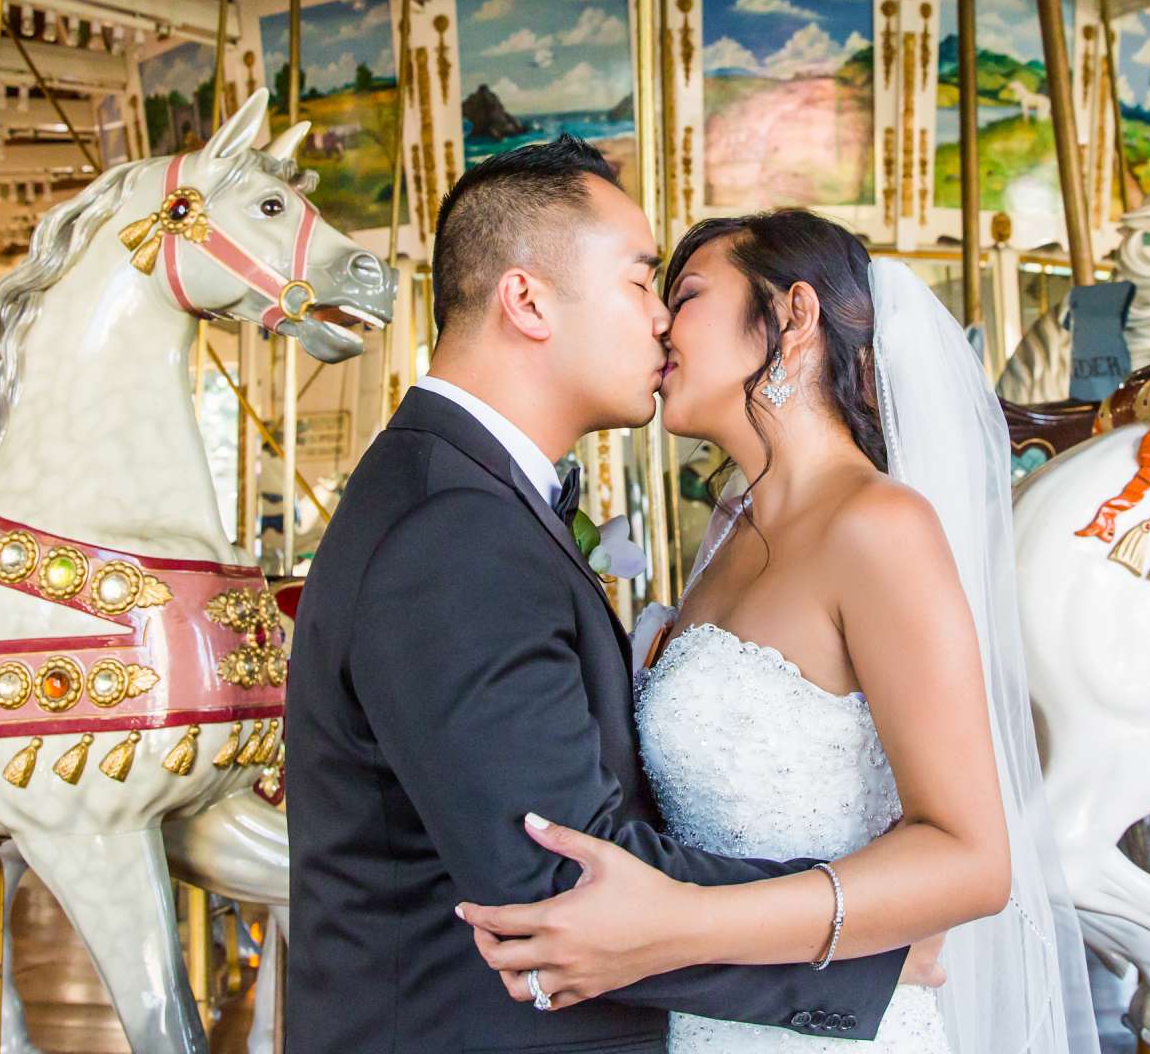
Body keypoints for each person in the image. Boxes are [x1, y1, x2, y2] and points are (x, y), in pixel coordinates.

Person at [285, 140, 933, 1052]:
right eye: (640, 284)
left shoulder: (462, 496)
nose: (662, 324)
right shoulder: (454, 528)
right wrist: (867, 945)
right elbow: (557, 882)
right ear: (528, 299)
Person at [457, 210, 1099, 1053]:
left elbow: (972, 861)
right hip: (700, 1022)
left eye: (683, 295)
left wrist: (682, 923)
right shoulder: (729, 530)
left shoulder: (878, 526)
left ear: (793, 315)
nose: (657, 320)